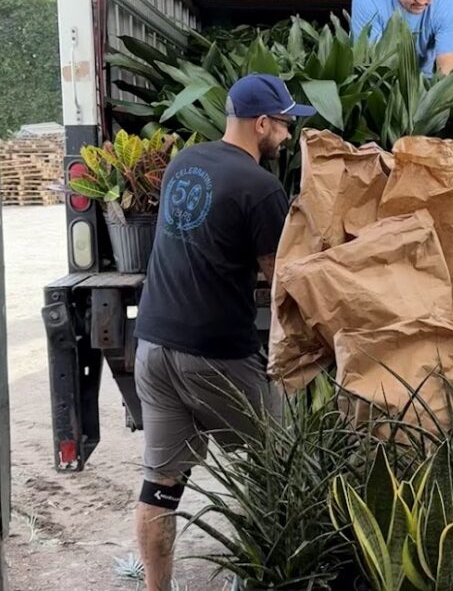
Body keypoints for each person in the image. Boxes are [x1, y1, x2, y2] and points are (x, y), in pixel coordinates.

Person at [131, 73, 315, 591]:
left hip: (153, 344)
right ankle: (275, 579)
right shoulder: (261, 188)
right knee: (284, 462)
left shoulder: (185, 163)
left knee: (161, 486)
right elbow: (281, 280)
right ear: (261, 124)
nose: (286, 136)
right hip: (214, 354)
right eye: (283, 125)